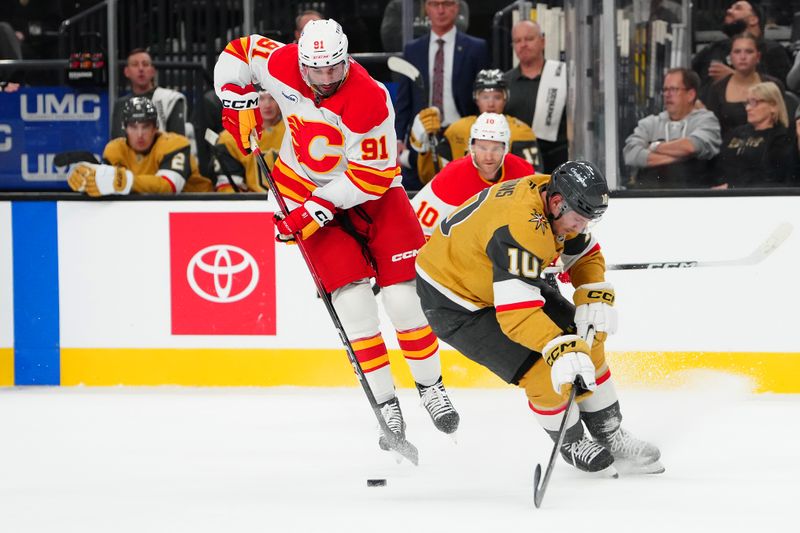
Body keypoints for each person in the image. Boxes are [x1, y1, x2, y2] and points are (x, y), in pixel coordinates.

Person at [214, 19, 459, 450]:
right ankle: (386, 403)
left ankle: (430, 387)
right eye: (317, 69)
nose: (326, 78)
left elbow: (370, 176)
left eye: (334, 67)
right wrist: (236, 98)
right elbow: (239, 53)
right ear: (301, 62)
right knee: (353, 306)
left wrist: (316, 208)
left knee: (404, 300)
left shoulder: (370, 98)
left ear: (346, 58)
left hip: (374, 195)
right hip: (302, 187)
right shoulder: (282, 62)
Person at [415, 161, 663, 476]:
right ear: (558, 204)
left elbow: (583, 254)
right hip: (456, 302)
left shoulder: (558, 199)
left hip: (495, 278)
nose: (580, 228)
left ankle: (609, 432)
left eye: (586, 222)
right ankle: (571, 442)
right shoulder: (523, 225)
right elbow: (516, 317)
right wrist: (559, 347)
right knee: (543, 369)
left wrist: (592, 294)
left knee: (588, 336)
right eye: (578, 221)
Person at [394, 0, 490, 189]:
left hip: (462, 135)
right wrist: (397, 138)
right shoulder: (412, 50)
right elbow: (404, 99)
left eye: (446, 4)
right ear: (426, 8)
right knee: (416, 193)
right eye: (434, 4)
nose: (440, 10)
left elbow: (483, 96)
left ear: (456, 7)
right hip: (421, 135)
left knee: (463, 191)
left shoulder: (476, 48)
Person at [411, 112, 534, 237]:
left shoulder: (523, 172)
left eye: (496, 149)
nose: (488, 157)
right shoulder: (450, 176)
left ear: (505, 149)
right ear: (472, 147)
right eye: (482, 148)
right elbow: (417, 228)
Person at [409, 69, 538, 184]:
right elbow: (433, 177)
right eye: (485, 97)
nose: (491, 103)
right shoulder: (457, 129)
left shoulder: (521, 131)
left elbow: (533, 180)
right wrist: (424, 147)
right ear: (476, 98)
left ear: (506, 98)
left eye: (497, 97)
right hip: (463, 197)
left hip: (506, 197)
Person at [67, 96, 212, 196]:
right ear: (125, 128)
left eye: (146, 126)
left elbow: (169, 186)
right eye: (133, 127)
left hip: (199, 211)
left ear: (155, 128)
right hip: (146, 212)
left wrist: (126, 181)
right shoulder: (114, 150)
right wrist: (88, 175)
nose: (140, 134)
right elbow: (108, 183)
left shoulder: (175, 144)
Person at [623, 68, 722, 188]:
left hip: (694, 193)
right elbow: (631, 153)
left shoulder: (707, 120)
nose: (667, 94)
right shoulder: (649, 123)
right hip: (652, 194)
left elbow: (691, 146)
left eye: (674, 89)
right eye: (665, 89)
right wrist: (681, 157)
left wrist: (654, 146)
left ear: (690, 95)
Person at [503, 20, 568, 173]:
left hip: (559, 163)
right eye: (517, 41)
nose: (523, 44)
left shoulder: (563, 75)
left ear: (542, 41)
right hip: (518, 165)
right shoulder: (504, 83)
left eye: (529, 39)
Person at [691, 1, 791, 93]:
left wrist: (735, 78)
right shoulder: (713, 49)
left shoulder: (772, 50)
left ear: (753, 19)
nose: (729, 11)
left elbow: (780, 93)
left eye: (738, 8)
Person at [714, 82, 797, 188]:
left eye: (754, 103)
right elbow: (719, 167)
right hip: (722, 192)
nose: (747, 108)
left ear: (773, 106)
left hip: (757, 193)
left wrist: (732, 187)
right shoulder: (736, 133)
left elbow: (773, 176)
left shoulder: (782, 137)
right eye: (747, 103)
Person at [702, 32, 785, 139]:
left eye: (749, 52)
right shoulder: (717, 88)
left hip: (767, 144)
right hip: (727, 145)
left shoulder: (773, 85)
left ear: (758, 57)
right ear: (730, 57)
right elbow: (712, 127)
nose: (742, 57)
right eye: (737, 52)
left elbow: (782, 121)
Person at [213, 91, 283, 192]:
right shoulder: (229, 138)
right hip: (252, 201)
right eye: (260, 98)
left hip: (291, 200)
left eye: (272, 98)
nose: (267, 105)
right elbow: (229, 189)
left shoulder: (294, 131)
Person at [110, 48, 189, 139]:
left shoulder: (170, 99)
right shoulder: (120, 105)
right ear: (126, 72)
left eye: (145, 64)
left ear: (153, 71)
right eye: (135, 64)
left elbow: (178, 141)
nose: (141, 69)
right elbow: (116, 141)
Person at [379, 0, 470, 53]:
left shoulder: (455, 4)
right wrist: (434, 32)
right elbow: (390, 41)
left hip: (448, 66)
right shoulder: (397, 5)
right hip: (407, 68)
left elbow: (455, 33)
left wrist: (414, 32)